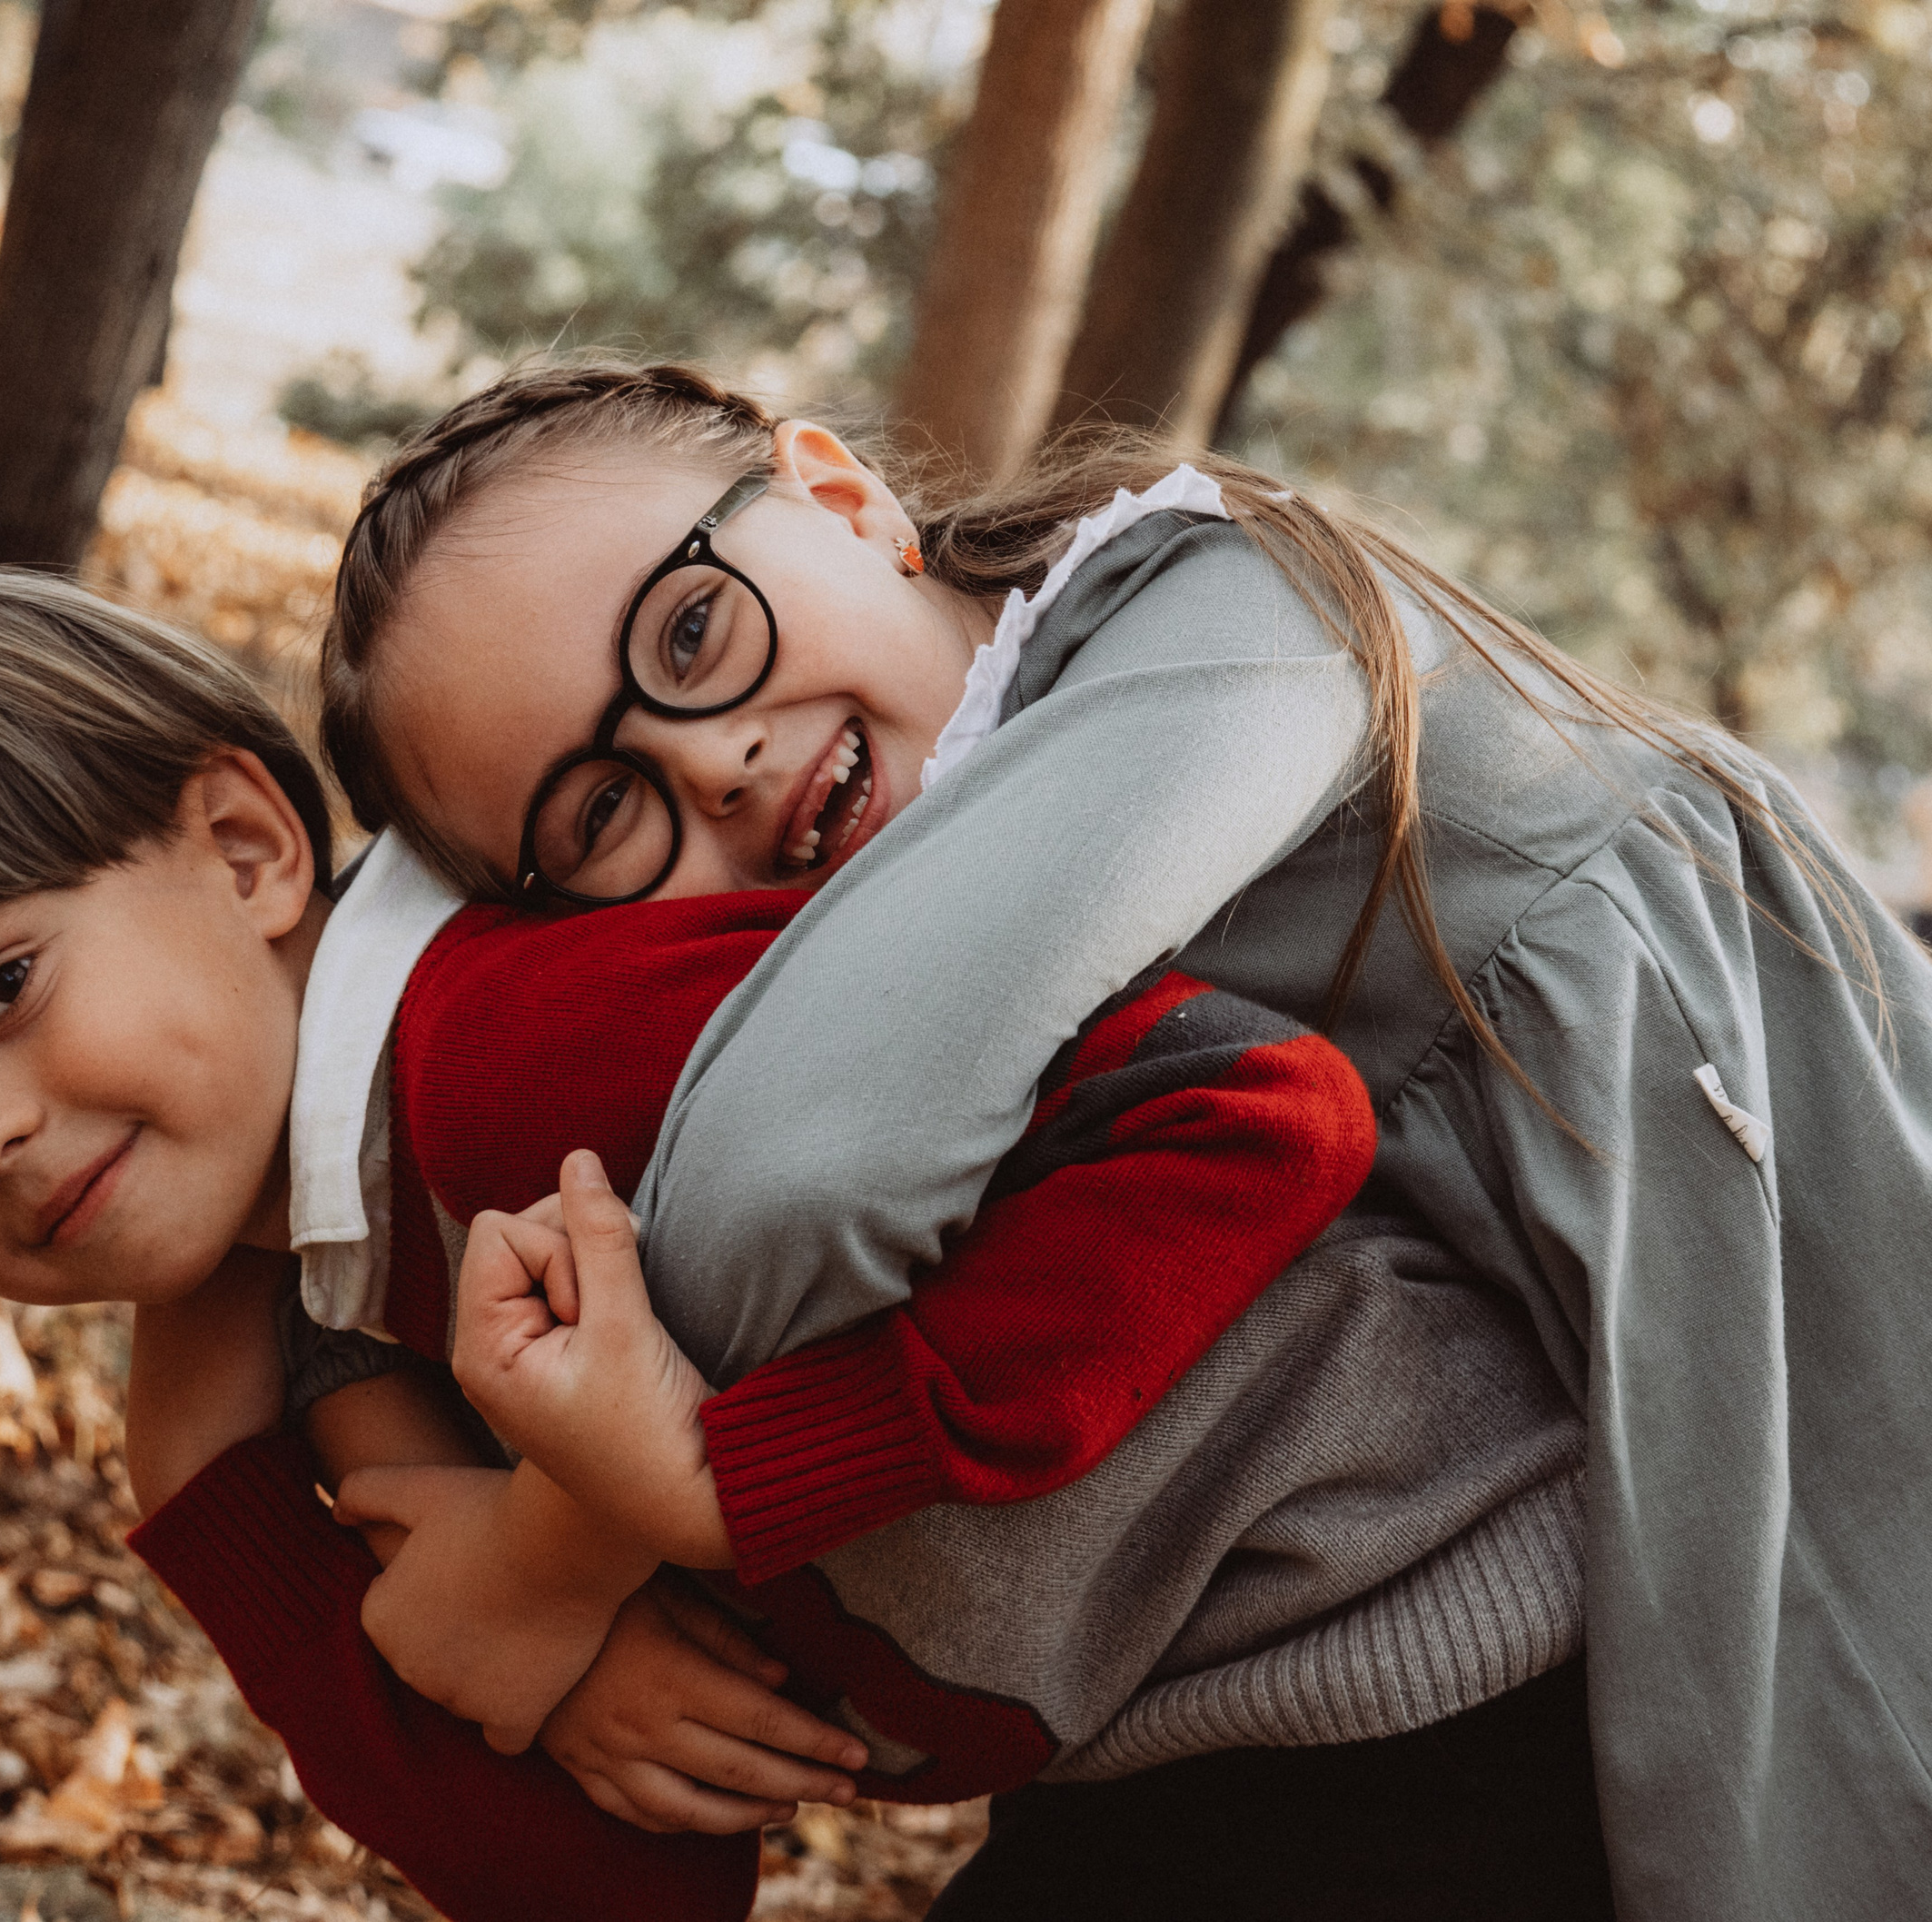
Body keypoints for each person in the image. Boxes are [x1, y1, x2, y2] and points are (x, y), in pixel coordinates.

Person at [0, 571, 1559, 1919]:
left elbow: (1252, 1111)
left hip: (1450, 1660)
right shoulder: (345, 1312)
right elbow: (614, 1880)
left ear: (242, 848)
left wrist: (690, 1490)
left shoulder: (525, 1043)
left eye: (0, 987)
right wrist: (218, 1494)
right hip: (1219, 1750)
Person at [317, 359, 1932, 1919]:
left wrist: (581, 1534)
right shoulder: (941, 908)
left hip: (1829, 1368)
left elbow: (801, 1169)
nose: (711, 759)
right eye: (601, 813)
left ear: (835, 493)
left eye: (693, 629)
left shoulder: (1222, 607)